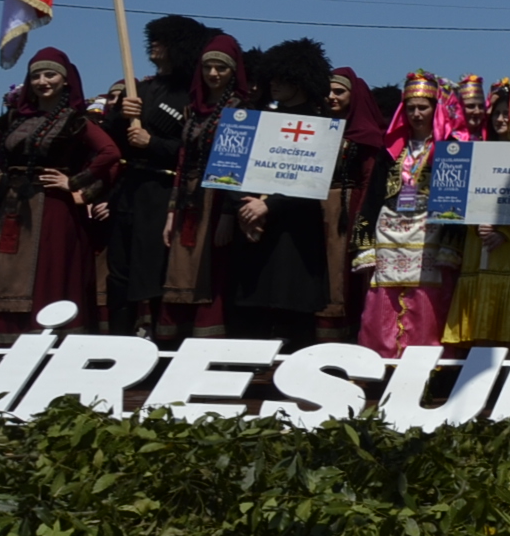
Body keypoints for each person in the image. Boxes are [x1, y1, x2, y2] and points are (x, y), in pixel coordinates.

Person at [0, 48, 120, 341]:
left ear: (65, 80)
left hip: (54, 208)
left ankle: (47, 340)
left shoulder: (75, 121)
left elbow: (110, 152)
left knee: (49, 272)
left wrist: (74, 182)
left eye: (50, 74)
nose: (42, 81)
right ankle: (4, 340)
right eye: (36, 75)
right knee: (6, 269)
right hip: (14, 205)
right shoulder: (13, 118)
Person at [106, 15, 208, 339]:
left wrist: (155, 143)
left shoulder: (191, 94)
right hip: (128, 189)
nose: (153, 45)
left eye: (161, 40)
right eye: (152, 38)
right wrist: (121, 118)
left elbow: (194, 146)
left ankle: (156, 335)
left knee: (152, 268)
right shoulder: (140, 90)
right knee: (118, 269)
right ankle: (118, 337)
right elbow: (110, 141)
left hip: (163, 189)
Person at [230, 38, 336, 349]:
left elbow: (313, 180)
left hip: (295, 231)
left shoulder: (322, 125)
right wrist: (244, 206)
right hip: (252, 227)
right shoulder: (257, 119)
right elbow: (231, 167)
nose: (273, 83)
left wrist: (269, 206)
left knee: (293, 309)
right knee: (251, 310)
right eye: (271, 77)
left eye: (282, 78)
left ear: (300, 80)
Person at [356, 71, 466, 356]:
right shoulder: (391, 150)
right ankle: (381, 362)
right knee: (384, 302)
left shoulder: (449, 150)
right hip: (389, 232)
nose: (417, 113)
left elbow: (457, 200)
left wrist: (451, 243)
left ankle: (428, 367)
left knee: (428, 300)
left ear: (435, 108)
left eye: (423, 107)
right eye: (411, 107)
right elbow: (374, 196)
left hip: (429, 233)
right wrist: (364, 239)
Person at [160, 36, 249, 341]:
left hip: (218, 199)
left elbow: (237, 165)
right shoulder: (192, 110)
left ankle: (209, 337)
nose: (214, 74)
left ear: (233, 71)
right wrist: (172, 211)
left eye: (221, 68)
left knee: (213, 270)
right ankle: (175, 337)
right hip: (188, 198)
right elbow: (182, 161)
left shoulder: (241, 110)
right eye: (208, 67)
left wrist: (228, 213)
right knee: (181, 265)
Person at [321, 66, 390, 342]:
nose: (331, 97)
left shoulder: (367, 136)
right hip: (318, 212)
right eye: (328, 91)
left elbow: (368, 183)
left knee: (343, 276)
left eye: (339, 91)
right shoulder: (318, 129)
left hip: (348, 214)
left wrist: (361, 231)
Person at [456, 75, 490, 141]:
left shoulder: (491, 136)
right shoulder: (448, 137)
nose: (477, 111)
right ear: (459, 108)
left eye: (481, 106)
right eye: (471, 106)